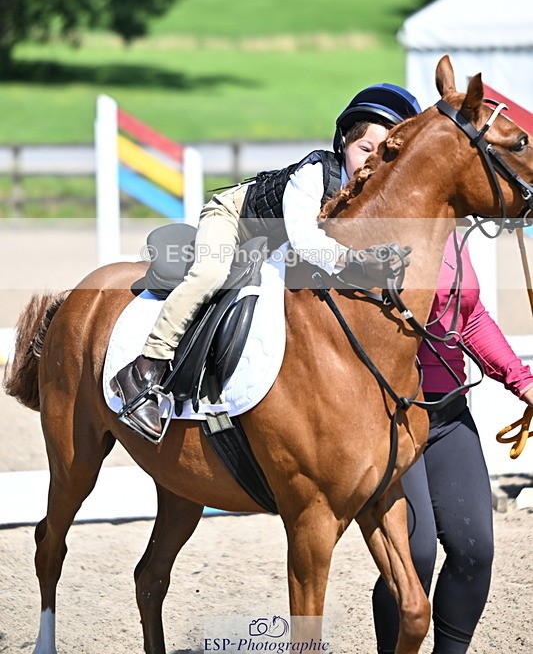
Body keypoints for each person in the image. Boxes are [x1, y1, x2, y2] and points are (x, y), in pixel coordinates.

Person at [111, 83, 420, 440]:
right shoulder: (316, 172)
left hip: (276, 247)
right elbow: (305, 239)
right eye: (364, 147)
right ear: (344, 145)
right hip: (233, 220)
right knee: (210, 275)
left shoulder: (375, 196)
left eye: (382, 152)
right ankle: (144, 369)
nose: (370, 159)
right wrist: (354, 260)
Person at [371, 232, 533, 654]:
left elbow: (471, 316)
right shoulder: (370, 221)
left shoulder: (450, 229)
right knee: (415, 557)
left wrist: (524, 383)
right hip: (393, 419)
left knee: (475, 551)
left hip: (449, 413)